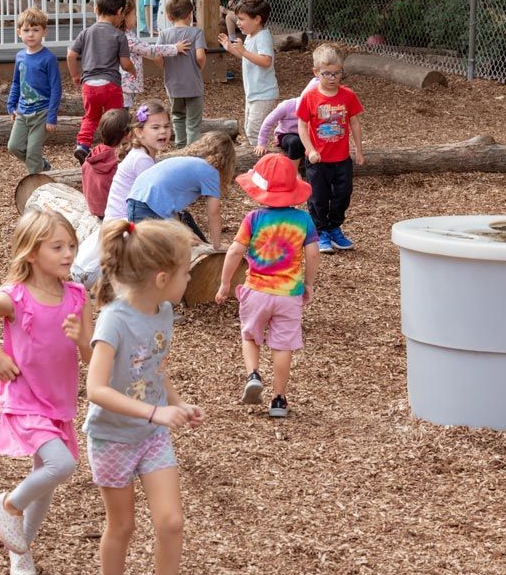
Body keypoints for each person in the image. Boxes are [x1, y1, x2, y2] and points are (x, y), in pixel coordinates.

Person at [85, 217, 204, 575]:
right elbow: (96, 389)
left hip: (151, 436)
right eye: (186, 272)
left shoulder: (164, 311)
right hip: (112, 438)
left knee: (171, 522)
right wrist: (155, 414)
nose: (189, 280)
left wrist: (177, 403)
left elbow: (156, 367)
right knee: (122, 526)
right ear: (161, 277)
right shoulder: (114, 320)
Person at [0, 209, 93, 575]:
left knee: (46, 474)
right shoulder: (15, 297)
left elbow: (92, 355)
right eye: (57, 246)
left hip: (58, 401)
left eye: (72, 245)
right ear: (31, 252)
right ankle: (8, 505)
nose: (68, 254)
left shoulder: (77, 296)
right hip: (24, 396)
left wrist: (81, 340)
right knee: (61, 466)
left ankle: (21, 549)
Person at [217, 153, 319, 418]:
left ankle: (253, 374)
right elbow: (313, 254)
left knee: (250, 335)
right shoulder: (304, 221)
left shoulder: (253, 219)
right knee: (283, 346)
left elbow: (235, 251)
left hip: (257, 291)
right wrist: (308, 283)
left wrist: (225, 282)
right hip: (289, 295)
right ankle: (279, 400)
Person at [72, 101, 174, 287]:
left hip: (119, 218)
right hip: (124, 224)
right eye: (156, 127)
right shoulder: (142, 160)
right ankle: (151, 300)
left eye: (166, 126)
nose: (163, 132)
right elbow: (153, 201)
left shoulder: (141, 154)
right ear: (139, 132)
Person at [296, 44, 364, 254]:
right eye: (327, 74)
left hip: (342, 159)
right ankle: (320, 231)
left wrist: (359, 150)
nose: (333, 78)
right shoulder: (310, 97)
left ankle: (334, 227)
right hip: (319, 161)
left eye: (337, 73)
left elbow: (354, 123)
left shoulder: (348, 95)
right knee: (318, 197)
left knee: (343, 194)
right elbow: (301, 126)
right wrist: (310, 150)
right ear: (316, 72)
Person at [125, 131, 236, 249]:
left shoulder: (187, 162)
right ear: (226, 162)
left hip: (137, 200)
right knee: (161, 255)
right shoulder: (211, 172)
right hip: (148, 206)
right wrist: (217, 245)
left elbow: (166, 202)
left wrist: (183, 230)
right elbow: (214, 212)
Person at [66, 0, 134, 164]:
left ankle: (82, 145)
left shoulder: (86, 33)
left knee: (90, 117)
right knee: (116, 118)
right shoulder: (119, 36)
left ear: (96, 9)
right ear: (120, 12)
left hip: (89, 86)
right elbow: (125, 63)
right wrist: (133, 70)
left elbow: (71, 56)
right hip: (111, 86)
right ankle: (114, 149)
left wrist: (76, 77)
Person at [6, 7, 62, 175]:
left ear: (44, 32)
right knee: (14, 146)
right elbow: (16, 82)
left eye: (36, 30)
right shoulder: (20, 57)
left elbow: (56, 88)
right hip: (22, 112)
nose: (31, 34)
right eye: (26, 30)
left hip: (42, 113)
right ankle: (42, 166)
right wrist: (11, 105)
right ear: (19, 32)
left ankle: (37, 184)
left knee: (32, 152)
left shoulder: (48, 59)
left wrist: (52, 116)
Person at [223, 0, 278, 145]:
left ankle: (260, 161)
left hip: (264, 93)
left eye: (241, 19)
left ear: (257, 19)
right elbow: (248, 58)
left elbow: (266, 61)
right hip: (253, 93)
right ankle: (256, 157)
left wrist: (244, 51)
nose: (238, 23)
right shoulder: (251, 35)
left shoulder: (262, 37)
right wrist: (231, 48)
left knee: (254, 131)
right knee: (249, 128)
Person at [121, 0, 185, 110]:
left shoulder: (127, 34)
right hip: (124, 84)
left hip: (126, 84)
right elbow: (149, 50)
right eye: (134, 14)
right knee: (122, 113)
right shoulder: (126, 37)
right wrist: (175, 48)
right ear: (124, 16)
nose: (136, 17)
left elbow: (144, 50)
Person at [157, 0, 207, 147]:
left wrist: (165, 66)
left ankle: (180, 146)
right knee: (193, 122)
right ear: (190, 14)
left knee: (178, 116)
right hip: (193, 84)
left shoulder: (164, 34)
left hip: (173, 84)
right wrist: (200, 67)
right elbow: (200, 56)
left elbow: (157, 56)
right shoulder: (196, 32)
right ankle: (192, 149)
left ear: (169, 17)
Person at [82, 108, 129, 218]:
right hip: (114, 213)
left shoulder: (91, 157)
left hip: (94, 209)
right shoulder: (120, 163)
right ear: (127, 134)